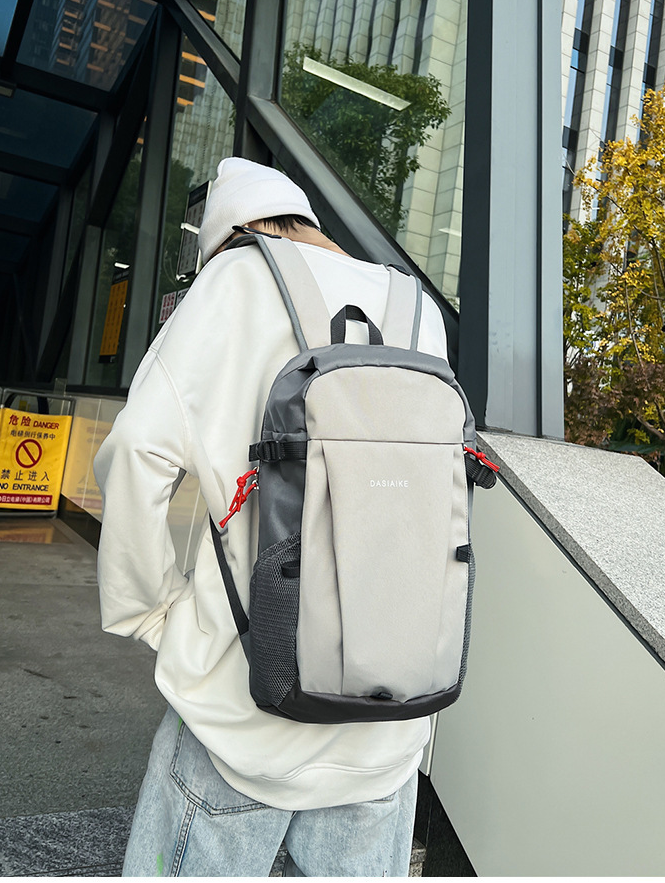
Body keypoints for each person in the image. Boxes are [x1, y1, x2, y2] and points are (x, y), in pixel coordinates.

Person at [94, 157, 450, 876]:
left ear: (230, 235)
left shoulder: (232, 280)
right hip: (389, 726)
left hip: (244, 710)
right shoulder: (418, 307)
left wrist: (149, 611)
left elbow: (136, 450)